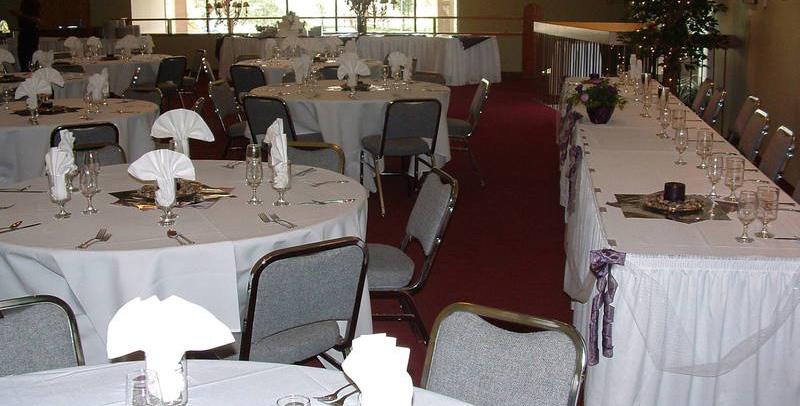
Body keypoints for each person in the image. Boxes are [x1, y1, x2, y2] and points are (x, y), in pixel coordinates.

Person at [9, 0, 41, 71]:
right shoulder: (24, 3)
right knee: (23, 56)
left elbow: (37, 20)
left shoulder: (33, 3)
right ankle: (25, 71)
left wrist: (20, 15)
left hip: (30, 33)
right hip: (24, 32)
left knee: (30, 55)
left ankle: (29, 71)